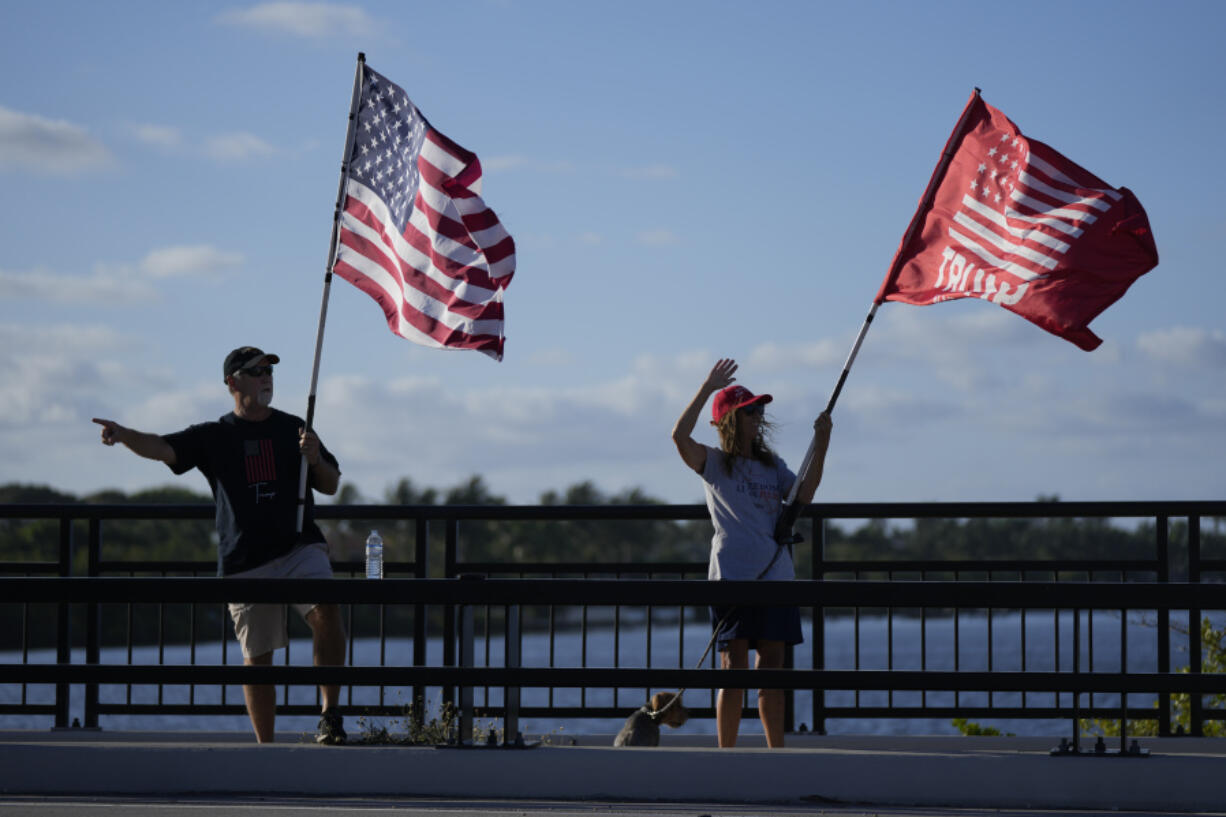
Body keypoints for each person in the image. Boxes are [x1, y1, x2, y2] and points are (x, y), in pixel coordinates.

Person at [92, 346, 348, 745]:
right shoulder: (216, 435)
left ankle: (330, 716)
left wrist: (314, 458)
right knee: (258, 658)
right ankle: (267, 750)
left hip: (300, 548)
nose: (266, 377)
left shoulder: (295, 427)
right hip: (246, 561)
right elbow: (163, 448)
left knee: (327, 609)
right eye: (256, 371)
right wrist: (124, 435)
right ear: (232, 382)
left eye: (269, 371)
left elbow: (331, 484)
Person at [671, 358, 833, 748]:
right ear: (730, 419)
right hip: (732, 580)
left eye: (760, 410)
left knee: (771, 676)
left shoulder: (771, 465)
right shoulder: (714, 463)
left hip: (776, 579)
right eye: (750, 411)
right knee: (733, 671)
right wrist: (707, 388)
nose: (759, 416)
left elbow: (803, 496)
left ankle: (775, 755)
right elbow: (679, 437)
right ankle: (727, 757)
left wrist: (822, 443)